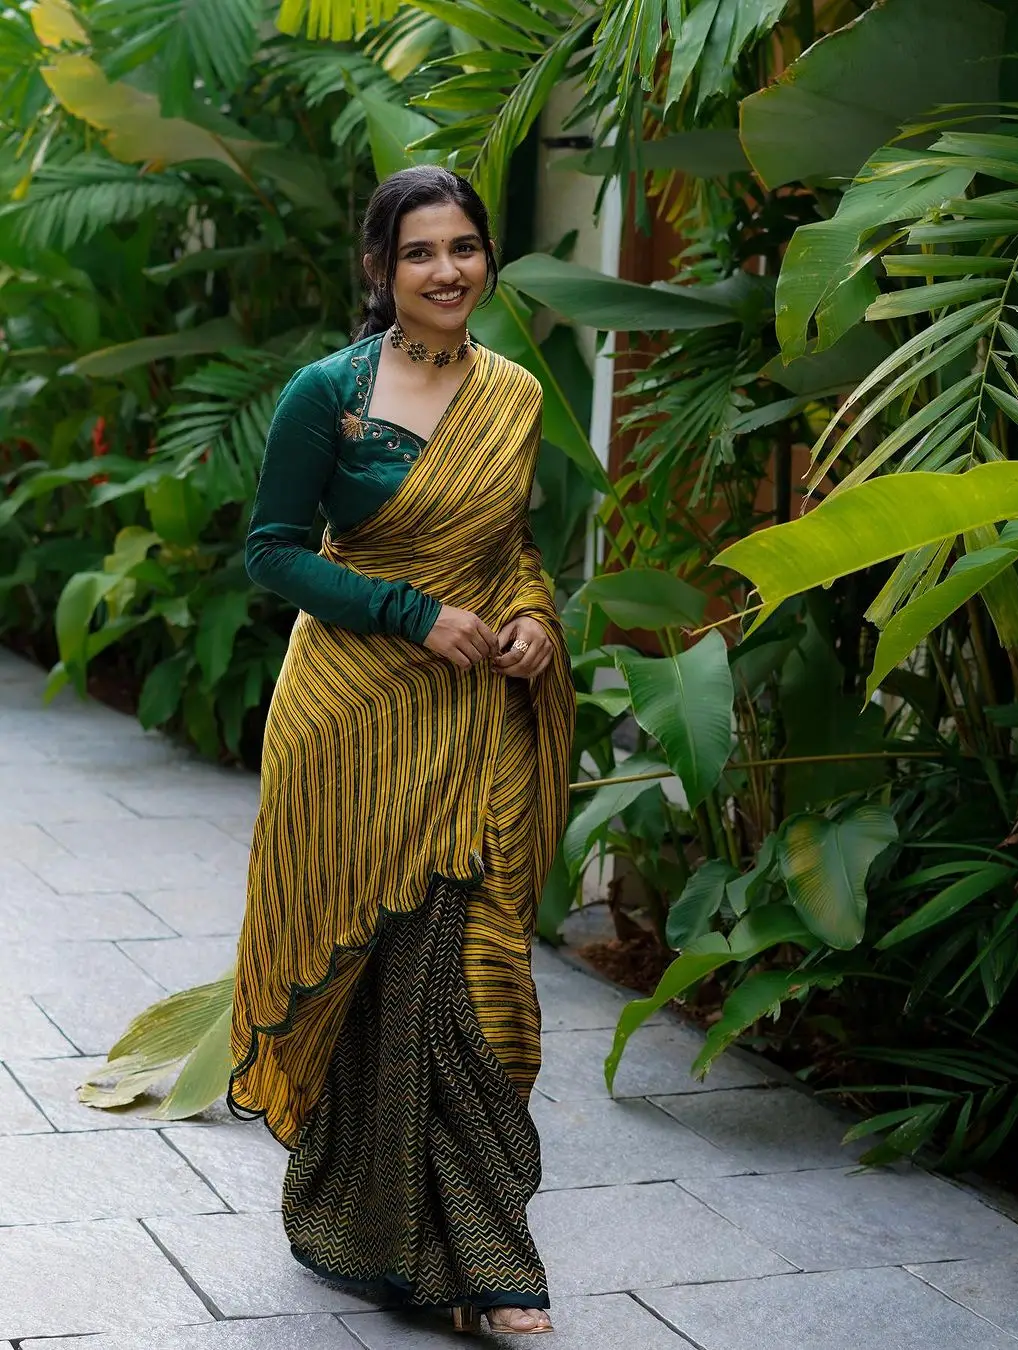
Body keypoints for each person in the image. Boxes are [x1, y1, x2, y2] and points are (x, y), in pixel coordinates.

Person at [227, 164, 574, 1337]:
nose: (447, 271)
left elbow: (513, 550)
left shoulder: (515, 392)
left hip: (475, 718)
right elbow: (273, 551)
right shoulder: (330, 393)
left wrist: (529, 619)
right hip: (350, 720)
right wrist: (411, 613)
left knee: (467, 975)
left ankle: (483, 1261)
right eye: (420, 251)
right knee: (370, 984)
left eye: (465, 247)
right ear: (382, 267)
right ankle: (375, 1229)